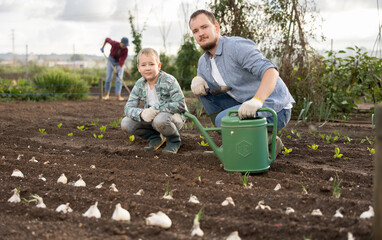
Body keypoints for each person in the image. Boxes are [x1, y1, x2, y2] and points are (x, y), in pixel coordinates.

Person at [189, 9, 295, 154]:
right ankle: (244, 141)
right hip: (243, 104)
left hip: (274, 107)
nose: (200, 33)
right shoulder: (203, 62)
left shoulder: (236, 47)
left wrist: (257, 100)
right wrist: (197, 79)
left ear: (216, 27)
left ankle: (262, 142)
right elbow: (206, 94)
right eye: (195, 31)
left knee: (222, 119)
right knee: (204, 93)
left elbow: (271, 71)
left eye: (204, 27)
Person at [121, 48, 187, 154]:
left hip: (173, 118)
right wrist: (142, 113)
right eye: (143, 65)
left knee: (159, 120)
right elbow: (128, 108)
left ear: (159, 66)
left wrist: (156, 109)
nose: (147, 68)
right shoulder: (139, 84)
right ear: (139, 68)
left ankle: (173, 141)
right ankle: (156, 138)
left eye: (151, 64)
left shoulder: (169, 80)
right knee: (126, 123)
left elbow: (180, 104)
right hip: (153, 119)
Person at [100, 37, 129, 101]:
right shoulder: (114, 43)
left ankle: (118, 95)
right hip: (111, 60)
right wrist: (103, 47)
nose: (125, 46)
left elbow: (122, 60)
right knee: (108, 78)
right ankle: (107, 94)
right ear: (121, 43)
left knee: (119, 78)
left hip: (119, 62)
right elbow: (107, 39)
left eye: (126, 45)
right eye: (124, 45)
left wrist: (118, 69)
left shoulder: (126, 50)